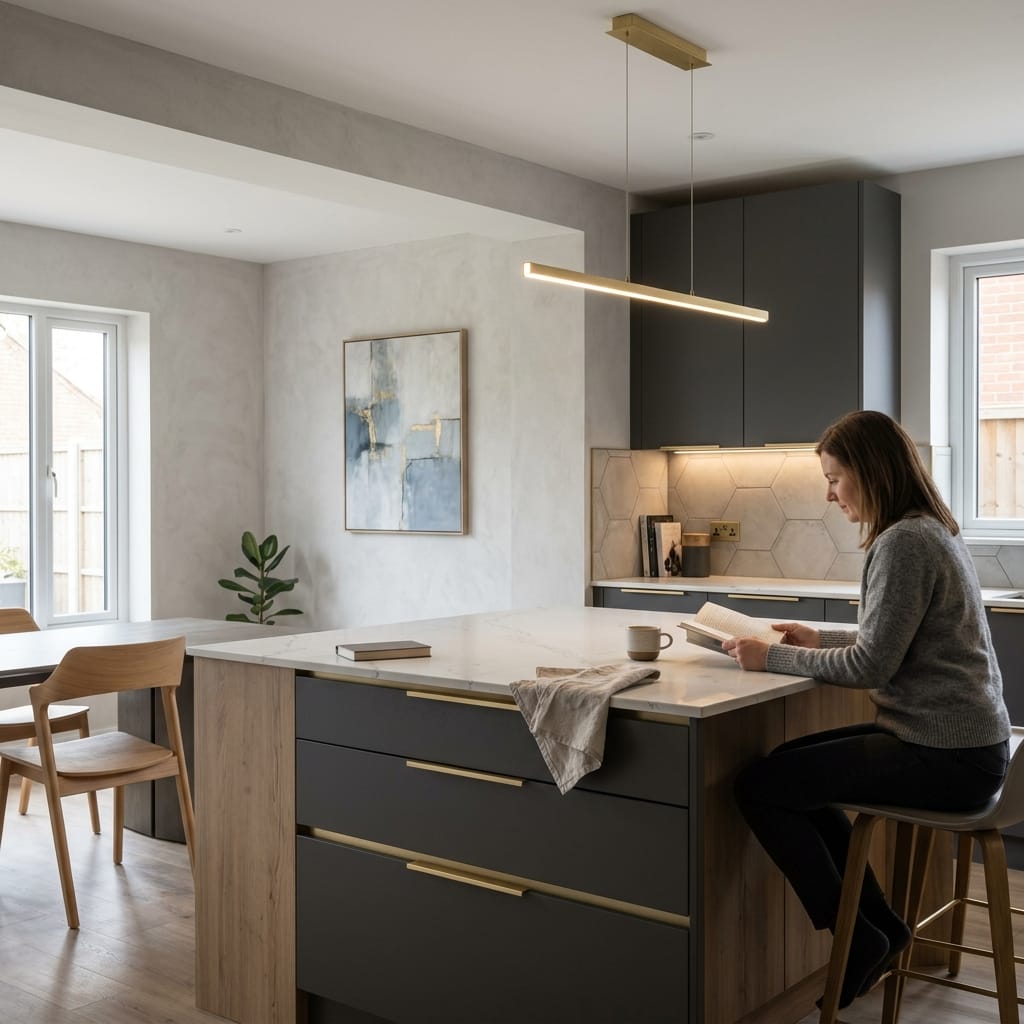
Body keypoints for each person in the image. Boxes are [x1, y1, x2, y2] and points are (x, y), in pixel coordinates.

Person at [727, 410, 1011, 1010]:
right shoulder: (930, 529)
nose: (830, 494)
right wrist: (815, 639)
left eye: (835, 478)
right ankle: (880, 931)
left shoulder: (903, 541)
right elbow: (887, 641)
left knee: (762, 786)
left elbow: (871, 668)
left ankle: (860, 938)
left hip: (944, 757)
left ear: (870, 472)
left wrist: (770, 657)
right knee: (788, 770)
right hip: (958, 747)